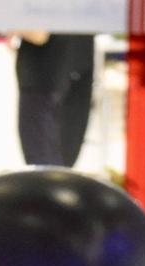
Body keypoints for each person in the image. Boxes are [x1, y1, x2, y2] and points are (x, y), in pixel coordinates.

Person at [14, 31, 96, 168]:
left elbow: (39, 33)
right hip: (75, 70)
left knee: (44, 170)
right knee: (61, 167)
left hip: (44, 77)